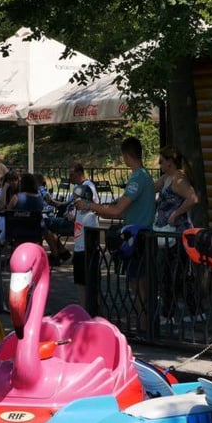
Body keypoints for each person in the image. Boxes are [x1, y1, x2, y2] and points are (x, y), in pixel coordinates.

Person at [75, 137, 155, 327]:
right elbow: (122, 208)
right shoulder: (144, 176)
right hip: (139, 235)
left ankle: (145, 326)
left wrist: (89, 205)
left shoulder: (138, 178)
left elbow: (118, 210)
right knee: (138, 283)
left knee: (138, 285)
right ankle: (145, 325)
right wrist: (104, 206)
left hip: (138, 237)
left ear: (127, 156)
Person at [152, 146, 202, 325]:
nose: (160, 164)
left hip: (180, 234)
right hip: (167, 233)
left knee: (176, 273)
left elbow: (193, 198)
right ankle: (186, 310)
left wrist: (176, 213)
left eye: (162, 161)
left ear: (170, 162)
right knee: (171, 272)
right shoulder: (166, 178)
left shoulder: (179, 180)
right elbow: (151, 188)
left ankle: (171, 312)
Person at [43, 163, 98, 265]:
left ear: (80, 173)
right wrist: (51, 202)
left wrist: (73, 215)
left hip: (77, 222)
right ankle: (62, 252)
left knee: (43, 224)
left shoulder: (88, 187)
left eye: (72, 175)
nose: (70, 178)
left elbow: (93, 205)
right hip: (69, 220)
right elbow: (66, 205)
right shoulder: (77, 187)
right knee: (43, 223)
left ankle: (57, 255)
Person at [71, 187, 99, 307]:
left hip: (86, 252)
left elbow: (94, 238)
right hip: (78, 251)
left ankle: (93, 309)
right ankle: (83, 308)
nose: (75, 202)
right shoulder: (77, 212)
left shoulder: (90, 217)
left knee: (90, 284)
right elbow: (71, 215)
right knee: (79, 283)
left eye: (77, 199)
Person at [0, 172, 45, 245]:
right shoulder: (40, 198)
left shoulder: (16, 197)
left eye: (16, 180)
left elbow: (8, 213)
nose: (13, 182)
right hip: (35, 231)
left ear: (22, 183)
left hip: (18, 231)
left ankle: (0, 243)